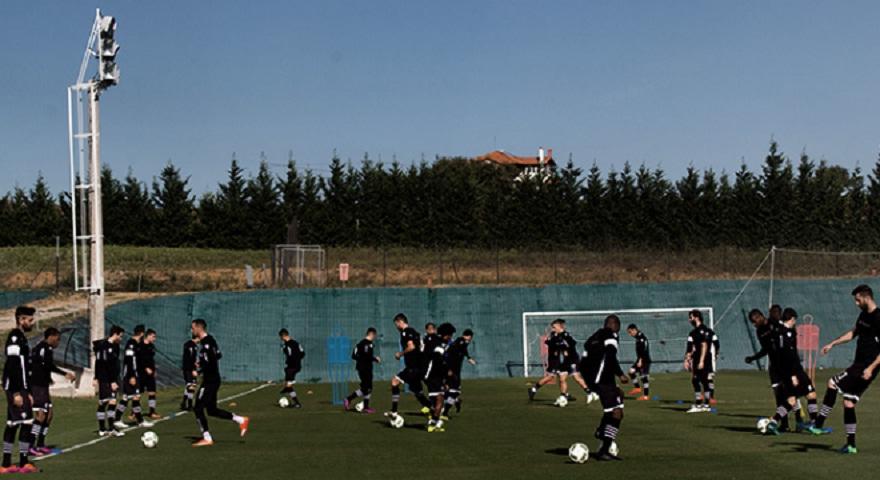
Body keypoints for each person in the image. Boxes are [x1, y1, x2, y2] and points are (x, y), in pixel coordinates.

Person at [807, 284, 880, 454]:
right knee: (848, 403)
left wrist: (870, 368)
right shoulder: (864, 315)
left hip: (866, 366)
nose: (856, 303)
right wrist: (833, 343)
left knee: (832, 383)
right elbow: (853, 333)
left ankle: (818, 424)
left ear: (866, 297)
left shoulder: (879, 317)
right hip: (860, 364)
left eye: (858, 300)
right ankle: (851, 445)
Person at [191, 318, 249, 447]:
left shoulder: (207, 343)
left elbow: (211, 361)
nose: (192, 330)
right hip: (213, 379)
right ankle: (241, 420)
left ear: (199, 328)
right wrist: (201, 362)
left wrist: (199, 370)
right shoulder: (210, 341)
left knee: (198, 408)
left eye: (193, 328)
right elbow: (218, 355)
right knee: (212, 410)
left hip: (210, 380)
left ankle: (207, 438)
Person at [580, 314, 628, 461]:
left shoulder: (593, 337)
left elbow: (583, 361)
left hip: (598, 379)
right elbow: (610, 356)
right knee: (617, 413)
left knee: (619, 397)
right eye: (618, 327)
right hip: (603, 380)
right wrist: (620, 374)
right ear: (615, 325)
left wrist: (590, 383)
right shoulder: (610, 336)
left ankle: (602, 430)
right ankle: (604, 450)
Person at [765, 308, 818, 435]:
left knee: (793, 400)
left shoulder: (781, 331)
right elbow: (786, 355)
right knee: (809, 395)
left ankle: (773, 421)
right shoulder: (784, 333)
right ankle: (815, 424)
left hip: (788, 371)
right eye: (795, 320)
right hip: (793, 371)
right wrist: (793, 375)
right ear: (792, 319)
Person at [1, 306, 40, 474]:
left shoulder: (22, 338)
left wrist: (28, 392)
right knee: (27, 422)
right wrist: (17, 392)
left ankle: (6, 464)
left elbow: (24, 368)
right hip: (15, 388)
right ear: (21, 319)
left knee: (12, 424)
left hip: (21, 387)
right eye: (29, 320)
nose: (32, 322)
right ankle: (23, 462)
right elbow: (12, 364)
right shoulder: (14, 337)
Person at [28, 327, 76, 455]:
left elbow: (40, 365)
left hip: (43, 386)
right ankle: (30, 446)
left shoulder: (44, 348)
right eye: (57, 339)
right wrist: (65, 374)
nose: (58, 342)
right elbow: (47, 365)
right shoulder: (44, 348)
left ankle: (40, 444)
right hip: (38, 387)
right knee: (41, 416)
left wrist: (48, 378)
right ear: (51, 336)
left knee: (49, 415)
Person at [745, 309, 790, 430]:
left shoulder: (774, 323)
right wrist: (753, 358)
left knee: (790, 393)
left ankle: (799, 420)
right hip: (774, 366)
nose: (754, 324)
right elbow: (765, 349)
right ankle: (784, 424)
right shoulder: (759, 331)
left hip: (785, 364)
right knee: (778, 395)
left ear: (760, 317)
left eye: (754, 321)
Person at [528, 319, 592, 402]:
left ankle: (567, 394)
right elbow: (549, 343)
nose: (552, 329)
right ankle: (535, 389)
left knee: (567, 377)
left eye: (554, 327)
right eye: (552, 327)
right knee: (553, 377)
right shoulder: (554, 336)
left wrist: (565, 349)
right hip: (555, 360)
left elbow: (571, 344)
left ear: (559, 326)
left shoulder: (565, 336)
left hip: (566, 360)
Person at [386, 313, 432, 422]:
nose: (396, 327)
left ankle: (394, 411)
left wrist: (400, 354)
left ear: (400, 322)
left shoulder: (405, 332)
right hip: (419, 367)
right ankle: (432, 408)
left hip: (413, 367)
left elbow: (411, 347)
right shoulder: (415, 332)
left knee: (394, 382)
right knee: (417, 391)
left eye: (396, 324)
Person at [114, 325, 151, 429]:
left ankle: (117, 419)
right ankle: (140, 421)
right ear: (142, 333)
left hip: (135, 374)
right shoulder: (131, 344)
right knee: (135, 397)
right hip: (131, 375)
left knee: (127, 397)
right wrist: (131, 376)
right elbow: (129, 360)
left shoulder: (137, 344)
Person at [94, 325, 125, 437]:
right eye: (120, 336)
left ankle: (109, 428)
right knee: (104, 402)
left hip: (112, 378)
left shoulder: (115, 346)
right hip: (106, 379)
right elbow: (100, 363)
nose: (121, 339)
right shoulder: (104, 346)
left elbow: (113, 364)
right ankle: (103, 428)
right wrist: (96, 377)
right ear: (115, 334)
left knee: (112, 401)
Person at [425, 323, 456, 433]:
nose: (450, 338)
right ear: (446, 335)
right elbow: (438, 360)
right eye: (450, 335)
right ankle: (433, 424)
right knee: (440, 401)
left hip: (432, 376)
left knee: (437, 401)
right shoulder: (439, 345)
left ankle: (434, 421)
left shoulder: (436, 342)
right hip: (434, 376)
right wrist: (447, 370)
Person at [345, 328, 380, 413]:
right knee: (367, 388)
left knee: (367, 388)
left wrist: (361, 360)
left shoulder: (360, 343)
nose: (374, 337)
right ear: (372, 334)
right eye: (374, 336)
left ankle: (362, 405)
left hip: (363, 368)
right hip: (365, 369)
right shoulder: (367, 344)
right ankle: (350, 400)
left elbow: (354, 356)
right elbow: (366, 356)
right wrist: (375, 359)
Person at [684, 310, 713, 413]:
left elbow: (704, 345)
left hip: (702, 359)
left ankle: (700, 404)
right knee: (701, 381)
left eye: (691, 317)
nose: (689, 320)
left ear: (696, 317)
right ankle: (705, 404)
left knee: (698, 380)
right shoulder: (693, 332)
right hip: (698, 358)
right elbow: (691, 348)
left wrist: (701, 361)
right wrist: (687, 359)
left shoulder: (702, 331)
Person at [443, 329, 476, 417]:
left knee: (448, 390)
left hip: (451, 370)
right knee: (455, 391)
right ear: (469, 336)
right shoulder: (461, 341)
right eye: (470, 338)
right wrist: (469, 358)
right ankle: (445, 412)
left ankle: (456, 401)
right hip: (453, 371)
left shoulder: (457, 343)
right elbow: (463, 347)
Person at [278, 329, 305, 408]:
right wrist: (298, 360)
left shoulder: (287, 345)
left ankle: (297, 403)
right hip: (295, 366)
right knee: (288, 384)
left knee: (288, 385)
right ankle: (295, 401)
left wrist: (291, 361)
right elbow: (303, 353)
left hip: (292, 367)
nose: (281, 339)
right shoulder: (296, 343)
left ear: (283, 336)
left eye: (281, 337)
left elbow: (290, 355)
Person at [625, 324, 651, 401]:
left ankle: (645, 396)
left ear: (634, 330)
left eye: (630, 332)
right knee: (631, 372)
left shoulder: (641, 338)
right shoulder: (638, 337)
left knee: (644, 377)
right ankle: (637, 388)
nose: (630, 334)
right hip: (639, 359)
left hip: (644, 360)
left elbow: (644, 349)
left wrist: (640, 360)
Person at [140, 329, 160, 419]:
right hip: (141, 373)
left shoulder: (151, 346)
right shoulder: (140, 345)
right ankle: (134, 412)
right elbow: (139, 360)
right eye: (153, 336)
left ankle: (152, 412)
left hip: (150, 373)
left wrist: (154, 370)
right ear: (147, 336)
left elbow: (151, 360)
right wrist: (145, 368)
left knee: (152, 392)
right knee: (138, 394)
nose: (154, 339)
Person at [180, 334, 199, 411]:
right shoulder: (189, 345)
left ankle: (184, 403)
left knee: (192, 385)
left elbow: (192, 358)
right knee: (190, 386)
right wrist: (193, 369)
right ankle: (190, 405)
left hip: (191, 368)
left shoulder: (194, 345)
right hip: (188, 369)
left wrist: (195, 363)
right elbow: (188, 359)